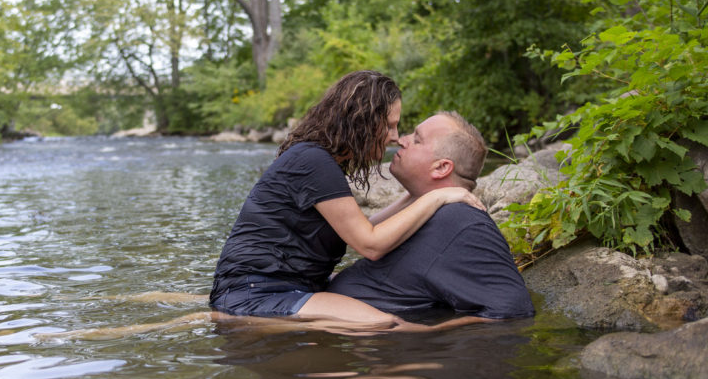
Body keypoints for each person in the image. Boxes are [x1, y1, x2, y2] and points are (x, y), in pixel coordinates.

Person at [208, 71, 483, 327]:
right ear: (361, 121)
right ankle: (472, 331)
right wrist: (439, 197)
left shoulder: (319, 159)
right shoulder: (313, 161)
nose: (395, 137)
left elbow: (361, 227)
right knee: (384, 324)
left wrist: (416, 197)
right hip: (255, 292)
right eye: (389, 126)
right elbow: (370, 244)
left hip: (284, 285)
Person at [326, 111, 534, 323]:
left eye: (416, 140)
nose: (401, 140)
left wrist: (429, 332)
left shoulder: (462, 222)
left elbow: (514, 310)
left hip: (360, 338)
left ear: (442, 167)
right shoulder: (429, 212)